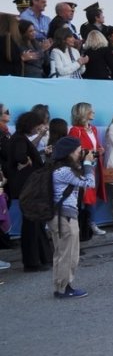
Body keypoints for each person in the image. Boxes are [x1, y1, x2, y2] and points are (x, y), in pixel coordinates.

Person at [48, 136, 95, 298]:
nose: (80, 153)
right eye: (78, 151)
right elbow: (89, 183)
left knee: (61, 253)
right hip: (65, 217)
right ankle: (64, 289)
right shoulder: (65, 171)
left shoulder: (57, 168)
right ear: (69, 153)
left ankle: (60, 286)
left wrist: (86, 162)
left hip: (59, 216)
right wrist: (87, 163)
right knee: (69, 254)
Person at [7, 110, 53, 270]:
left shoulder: (19, 138)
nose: (38, 129)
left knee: (35, 224)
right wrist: (27, 161)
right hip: (28, 187)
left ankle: (41, 258)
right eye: (37, 126)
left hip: (28, 186)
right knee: (32, 225)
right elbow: (20, 157)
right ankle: (33, 262)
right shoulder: (20, 139)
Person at [68, 102, 107, 235]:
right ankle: (82, 225)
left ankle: (91, 223)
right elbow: (72, 151)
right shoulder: (75, 130)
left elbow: (96, 146)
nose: (93, 112)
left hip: (94, 166)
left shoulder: (93, 129)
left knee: (92, 194)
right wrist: (89, 153)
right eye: (91, 110)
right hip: (81, 168)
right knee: (84, 195)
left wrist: (100, 150)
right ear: (83, 112)